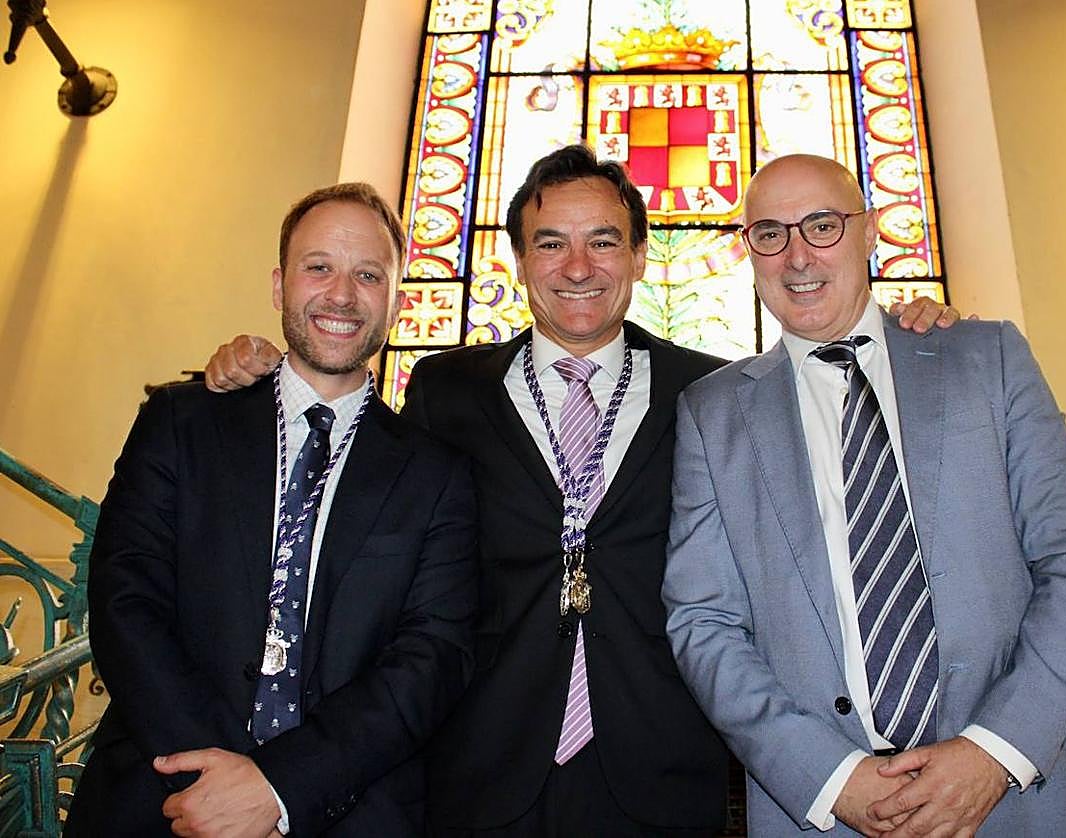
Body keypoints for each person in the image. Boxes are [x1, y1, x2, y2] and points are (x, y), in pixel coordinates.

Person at [205, 146, 959, 836]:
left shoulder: (713, 392)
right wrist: (264, 375)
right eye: (550, 244)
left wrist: (907, 337)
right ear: (519, 261)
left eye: (602, 241)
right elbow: (361, 512)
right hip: (479, 770)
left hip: (663, 770)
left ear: (638, 256)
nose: (577, 267)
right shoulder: (446, 389)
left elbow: (816, 483)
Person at [661, 154, 1066, 837]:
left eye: (823, 225)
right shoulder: (714, 413)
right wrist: (828, 777)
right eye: (770, 233)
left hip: (1024, 799)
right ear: (748, 250)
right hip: (831, 812)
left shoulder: (985, 357)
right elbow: (704, 621)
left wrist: (994, 751)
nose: (797, 256)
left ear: (871, 230)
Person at [67, 183, 477, 837]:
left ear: (397, 302)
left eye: (368, 275)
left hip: (345, 806)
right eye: (319, 267)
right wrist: (219, 782)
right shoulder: (181, 422)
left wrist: (281, 786)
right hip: (164, 793)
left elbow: (431, 656)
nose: (342, 295)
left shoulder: (438, 475)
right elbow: (126, 597)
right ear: (280, 285)